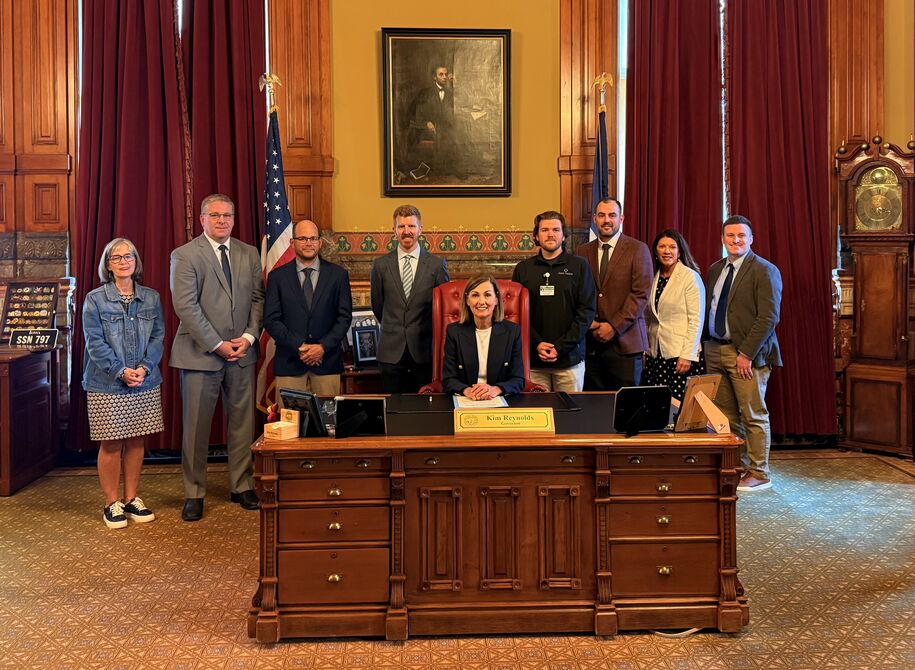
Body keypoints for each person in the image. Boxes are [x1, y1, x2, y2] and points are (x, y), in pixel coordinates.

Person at [170, 194, 264, 521]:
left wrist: (250, 338)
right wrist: (217, 344)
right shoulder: (184, 255)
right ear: (202, 219)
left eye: (227, 215)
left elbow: (257, 299)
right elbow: (186, 307)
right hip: (200, 354)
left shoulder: (248, 253)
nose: (222, 220)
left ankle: (241, 484)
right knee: (196, 428)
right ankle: (194, 492)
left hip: (242, 352)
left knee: (242, 424)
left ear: (234, 219)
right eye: (215, 215)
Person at [82, 238, 164, 529]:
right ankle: (111, 503)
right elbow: (94, 343)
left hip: (144, 380)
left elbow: (158, 338)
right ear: (108, 265)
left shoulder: (151, 297)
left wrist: (143, 368)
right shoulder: (95, 299)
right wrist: (120, 371)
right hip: (107, 382)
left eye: (128, 256)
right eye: (116, 258)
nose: (124, 261)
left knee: (137, 440)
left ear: (136, 261)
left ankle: (131, 499)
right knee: (112, 442)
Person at [704, 215, 782, 492]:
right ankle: (736, 466)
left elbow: (768, 317)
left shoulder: (764, 270)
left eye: (740, 236)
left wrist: (746, 353)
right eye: (730, 236)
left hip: (746, 355)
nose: (735, 241)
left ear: (751, 239)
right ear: (723, 239)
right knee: (724, 415)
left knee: (753, 414)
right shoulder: (715, 268)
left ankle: (759, 472)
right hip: (715, 350)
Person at [263, 219, 352, 403]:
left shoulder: (338, 275)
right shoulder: (277, 277)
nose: (309, 243)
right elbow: (271, 320)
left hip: (327, 363)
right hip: (290, 364)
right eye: (302, 238)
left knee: (328, 426)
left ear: (320, 242)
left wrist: (322, 347)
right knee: (290, 427)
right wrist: (300, 347)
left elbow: (344, 318)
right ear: (292, 242)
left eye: (313, 238)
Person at [512, 210, 595, 392]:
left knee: (569, 417)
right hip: (534, 361)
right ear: (536, 235)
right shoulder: (523, 269)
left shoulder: (580, 266)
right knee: (539, 417)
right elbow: (516, 314)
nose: (550, 234)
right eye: (545, 230)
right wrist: (537, 344)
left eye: (556, 230)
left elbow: (586, 311)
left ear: (564, 235)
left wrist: (560, 347)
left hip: (570, 361)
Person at [370, 204, 450, 393]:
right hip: (390, 354)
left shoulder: (437, 265)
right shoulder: (380, 265)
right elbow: (378, 306)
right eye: (401, 227)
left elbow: (443, 309)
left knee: (423, 412)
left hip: (424, 353)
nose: (407, 232)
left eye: (412, 226)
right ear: (394, 231)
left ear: (420, 229)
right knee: (393, 411)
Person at [577, 198, 653, 391]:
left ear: (621, 218)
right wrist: (591, 323)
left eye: (612, 215)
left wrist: (613, 326)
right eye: (601, 215)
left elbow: (640, 294)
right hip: (591, 344)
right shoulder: (582, 251)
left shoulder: (638, 249)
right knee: (594, 409)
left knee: (626, 410)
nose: (606, 220)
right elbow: (578, 291)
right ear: (594, 219)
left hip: (626, 343)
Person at [643, 229, 706, 401]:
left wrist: (687, 354)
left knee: (678, 406)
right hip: (656, 355)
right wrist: (645, 349)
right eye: (662, 246)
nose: (667, 251)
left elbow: (696, 320)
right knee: (656, 405)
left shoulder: (690, 277)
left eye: (672, 247)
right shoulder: (653, 278)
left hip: (680, 355)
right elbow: (648, 317)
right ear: (655, 251)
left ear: (680, 251)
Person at [442, 274, 525, 399]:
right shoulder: (454, 331)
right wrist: (467, 391)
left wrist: (495, 389)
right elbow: (448, 379)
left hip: (498, 399)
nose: (481, 301)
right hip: (466, 399)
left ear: (496, 299)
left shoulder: (512, 331)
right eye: (475, 295)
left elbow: (518, 379)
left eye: (487, 295)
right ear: (467, 300)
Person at [407, 65, 457, 178]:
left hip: (447, 129)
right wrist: (426, 122)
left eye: (446, 74)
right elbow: (417, 112)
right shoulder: (425, 93)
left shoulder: (451, 93)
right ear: (434, 77)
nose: (444, 77)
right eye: (441, 74)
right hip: (429, 129)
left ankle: (447, 168)